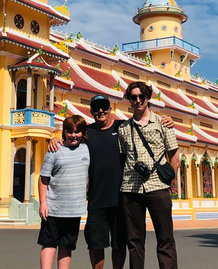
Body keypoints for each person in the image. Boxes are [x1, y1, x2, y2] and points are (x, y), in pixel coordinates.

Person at [49, 95, 174, 269]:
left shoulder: (122, 127)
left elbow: (143, 119)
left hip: (121, 197)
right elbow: (71, 138)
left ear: (110, 109)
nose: (100, 111)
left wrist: (165, 119)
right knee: (95, 243)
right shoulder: (87, 133)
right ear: (91, 111)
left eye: (104, 107)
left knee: (119, 243)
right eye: (96, 108)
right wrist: (55, 139)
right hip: (96, 199)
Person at [118, 81, 180, 269]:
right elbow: (122, 160)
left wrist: (168, 182)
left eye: (141, 96)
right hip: (131, 188)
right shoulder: (123, 129)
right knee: (135, 242)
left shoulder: (163, 124)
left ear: (148, 98)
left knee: (165, 238)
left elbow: (175, 158)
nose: (137, 100)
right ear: (129, 100)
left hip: (158, 187)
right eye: (133, 97)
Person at [38, 115, 90, 269]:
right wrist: (43, 203)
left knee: (67, 245)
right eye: (70, 132)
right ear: (64, 133)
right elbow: (43, 178)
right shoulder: (55, 150)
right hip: (53, 208)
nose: (74, 135)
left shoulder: (87, 149)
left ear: (82, 133)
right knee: (49, 243)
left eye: (77, 132)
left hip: (74, 209)